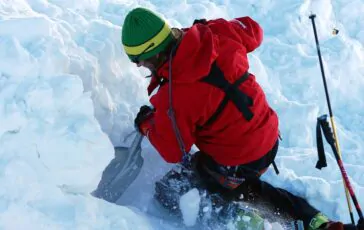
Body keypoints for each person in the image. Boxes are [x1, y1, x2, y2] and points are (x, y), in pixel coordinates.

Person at [121, 7, 362, 230]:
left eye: (138, 61)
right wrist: (215, 26)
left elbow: (172, 150)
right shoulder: (213, 34)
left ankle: (240, 220)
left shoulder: (174, 97)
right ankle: (314, 221)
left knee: (171, 191)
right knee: (237, 182)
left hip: (240, 159)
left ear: (150, 56)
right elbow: (253, 30)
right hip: (268, 136)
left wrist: (147, 124)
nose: (140, 66)